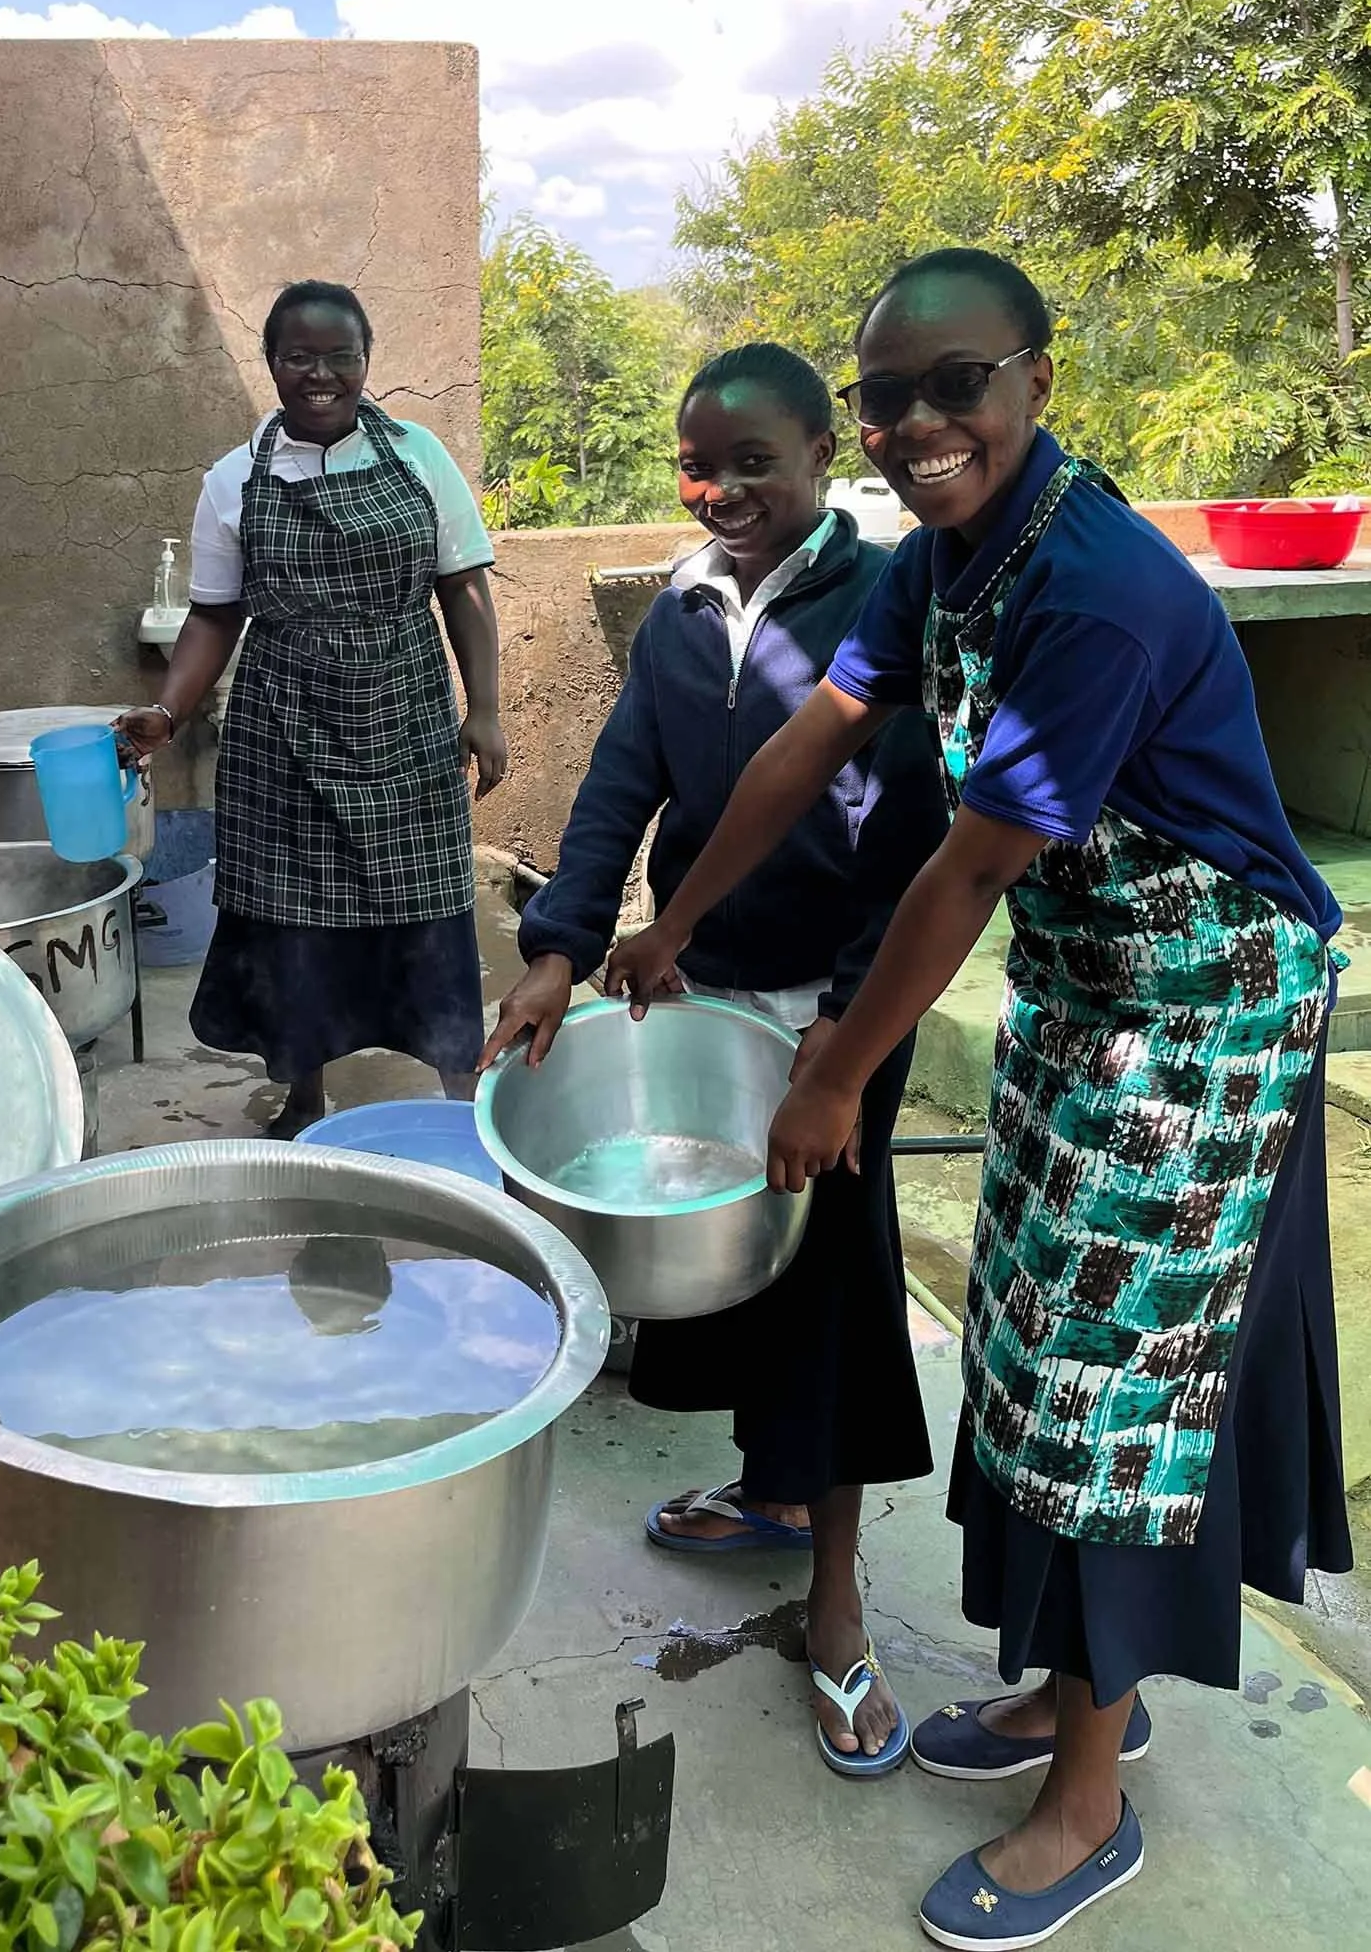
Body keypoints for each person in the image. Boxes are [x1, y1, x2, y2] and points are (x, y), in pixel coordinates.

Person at [608, 250, 1351, 1946]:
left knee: (1111, 1398)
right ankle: (1072, 1691)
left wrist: (835, 1072)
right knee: (1021, 1336)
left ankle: (1089, 1800)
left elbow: (968, 866)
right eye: (888, 397)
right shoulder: (948, 555)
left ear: (1035, 379)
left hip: (1202, 1019)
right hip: (1090, 993)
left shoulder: (1094, 591)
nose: (918, 424)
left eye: (957, 384)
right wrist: (682, 921)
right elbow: (816, 738)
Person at [483, 344, 948, 1776]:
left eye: (755, 461)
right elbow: (625, 780)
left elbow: (917, 841)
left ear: (822, 456)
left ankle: (836, 1602)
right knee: (724, 1268)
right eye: (701, 464)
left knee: (830, 1297)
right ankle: (772, 1495)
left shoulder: (880, 603)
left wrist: (851, 1023)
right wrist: (562, 939)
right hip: (710, 989)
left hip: (831, 1014)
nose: (725, 489)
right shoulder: (683, 613)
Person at [119, 281, 506, 1130]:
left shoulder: (418, 456)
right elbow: (216, 614)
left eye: (342, 356)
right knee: (294, 923)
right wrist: (169, 710)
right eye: (300, 356)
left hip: (404, 713)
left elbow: (463, 584)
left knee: (431, 907)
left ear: (367, 362)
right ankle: (304, 1094)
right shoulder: (232, 479)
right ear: (272, 364)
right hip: (282, 723)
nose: (321, 374)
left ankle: (459, 1092)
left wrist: (484, 708)